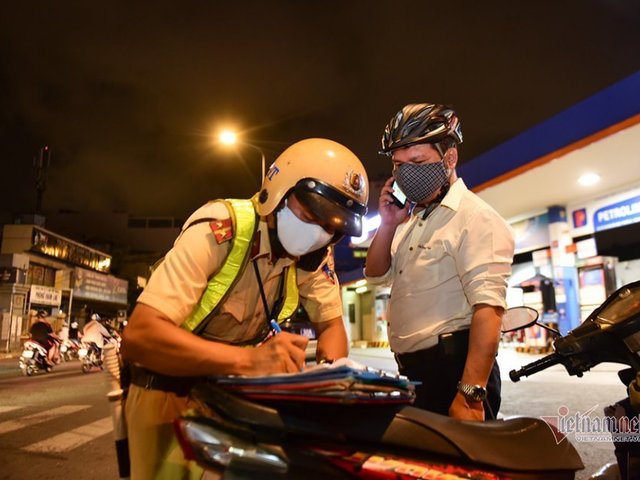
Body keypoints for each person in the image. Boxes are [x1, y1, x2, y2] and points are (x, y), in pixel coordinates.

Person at [120, 138, 369, 479]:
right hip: (168, 387)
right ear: (279, 190)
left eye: (331, 227)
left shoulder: (313, 257)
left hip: (236, 394)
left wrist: (328, 384)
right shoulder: (221, 227)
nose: (317, 234)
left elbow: (331, 326)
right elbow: (140, 336)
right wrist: (250, 361)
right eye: (311, 214)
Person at [364, 103, 515, 421]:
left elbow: (489, 310)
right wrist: (388, 224)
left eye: (417, 162)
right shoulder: (412, 221)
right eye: (398, 164)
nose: (406, 173)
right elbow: (375, 275)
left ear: (450, 158)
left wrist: (470, 396)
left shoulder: (475, 218)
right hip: (416, 375)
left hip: (455, 375)